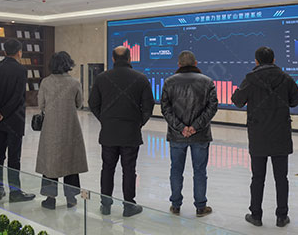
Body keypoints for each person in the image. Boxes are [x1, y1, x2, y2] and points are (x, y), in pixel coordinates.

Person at [232, 46, 298, 228]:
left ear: (256, 61)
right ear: (274, 60)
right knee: (281, 178)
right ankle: (281, 216)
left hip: (258, 135)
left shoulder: (250, 79)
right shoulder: (285, 78)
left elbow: (237, 101)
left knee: (257, 177)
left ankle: (256, 215)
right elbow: (296, 100)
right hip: (281, 134)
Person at [88, 46, 155, 217]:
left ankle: (105, 205)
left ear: (113, 59)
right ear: (130, 58)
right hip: (130, 133)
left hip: (109, 133)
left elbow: (93, 103)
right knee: (129, 170)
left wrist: (105, 120)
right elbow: (148, 107)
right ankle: (128, 206)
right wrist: (138, 123)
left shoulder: (101, 78)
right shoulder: (141, 79)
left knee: (107, 169)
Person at [161, 51, 218, 217]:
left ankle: (175, 205)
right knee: (200, 171)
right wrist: (195, 127)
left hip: (177, 136)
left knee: (176, 170)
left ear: (178, 65)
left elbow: (165, 109)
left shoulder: (169, 82)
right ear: (196, 63)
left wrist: (181, 128)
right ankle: (200, 207)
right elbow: (212, 107)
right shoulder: (207, 82)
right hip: (200, 135)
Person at [35, 51, 88, 209]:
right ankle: (71, 198)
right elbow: (79, 104)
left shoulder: (46, 82)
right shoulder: (75, 83)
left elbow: (41, 105)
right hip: (70, 126)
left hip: (50, 127)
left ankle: (50, 198)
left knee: (50, 162)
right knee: (71, 161)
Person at [0, 39, 35, 202]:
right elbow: (17, 96)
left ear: (4, 52)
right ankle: (15, 192)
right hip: (14, 119)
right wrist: (4, 113)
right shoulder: (21, 70)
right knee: (14, 157)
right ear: (19, 52)